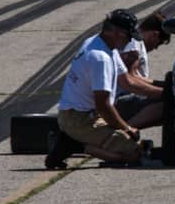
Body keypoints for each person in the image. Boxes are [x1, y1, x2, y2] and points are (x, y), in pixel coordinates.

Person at [45, 10, 158, 169]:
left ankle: (77, 140)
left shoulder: (103, 45)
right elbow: (103, 105)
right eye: (128, 37)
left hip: (86, 114)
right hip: (79, 119)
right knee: (135, 152)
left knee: (135, 142)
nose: (130, 42)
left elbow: (128, 82)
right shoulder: (100, 58)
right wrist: (127, 128)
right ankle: (75, 145)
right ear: (117, 33)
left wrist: (162, 92)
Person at [114, 11, 171, 129]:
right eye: (159, 43)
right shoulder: (133, 45)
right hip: (116, 101)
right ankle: (124, 134)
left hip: (122, 98)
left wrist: (164, 86)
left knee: (169, 100)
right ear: (154, 34)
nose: (156, 48)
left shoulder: (134, 42)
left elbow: (135, 77)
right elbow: (129, 80)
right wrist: (164, 92)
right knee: (169, 105)